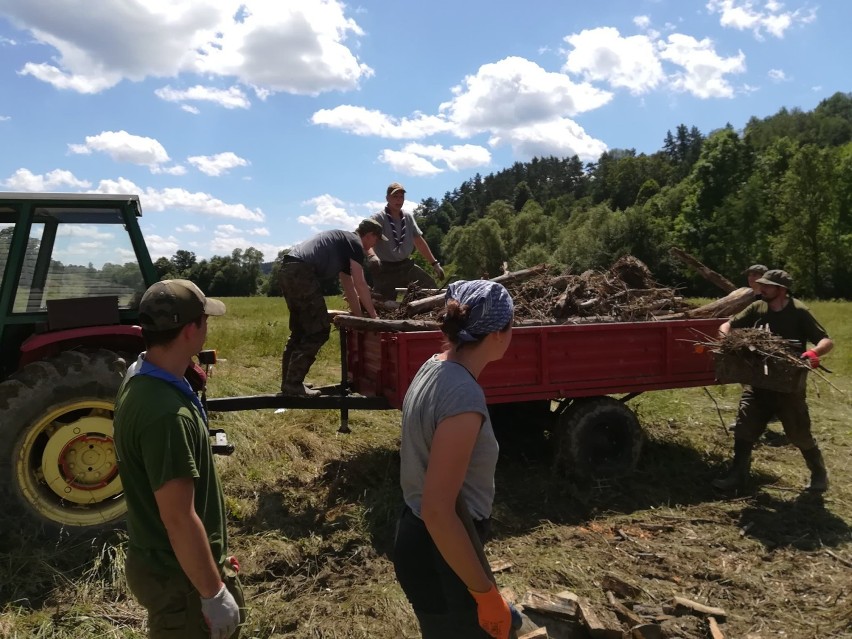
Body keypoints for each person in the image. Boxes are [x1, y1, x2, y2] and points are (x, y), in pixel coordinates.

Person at [114, 279, 244, 639]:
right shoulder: (166, 415)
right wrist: (214, 594)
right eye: (205, 320)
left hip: (173, 567)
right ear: (191, 330)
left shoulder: (142, 376)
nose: (207, 327)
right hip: (180, 579)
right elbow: (178, 520)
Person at [393, 280, 516, 639]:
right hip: (441, 553)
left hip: (424, 541)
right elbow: (438, 512)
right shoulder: (463, 397)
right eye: (512, 326)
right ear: (497, 334)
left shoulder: (435, 366)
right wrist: (486, 594)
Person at [713, 269, 834, 493]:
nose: (762, 288)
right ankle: (737, 476)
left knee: (798, 434)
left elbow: (826, 340)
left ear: (782, 289)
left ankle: (819, 475)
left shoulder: (798, 311)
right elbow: (727, 325)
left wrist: (813, 353)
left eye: (767, 286)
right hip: (758, 381)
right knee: (744, 428)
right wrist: (725, 338)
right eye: (762, 285)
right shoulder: (757, 307)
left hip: (788, 385)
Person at [279, 219, 382, 396]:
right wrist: (374, 316)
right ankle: (293, 383)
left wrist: (358, 316)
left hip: (288, 269)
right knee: (318, 330)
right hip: (302, 272)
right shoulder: (355, 243)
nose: (375, 245)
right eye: (377, 240)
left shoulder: (344, 242)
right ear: (370, 235)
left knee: (300, 331)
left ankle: (289, 382)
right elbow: (360, 283)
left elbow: (348, 285)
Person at [367, 182, 445, 301]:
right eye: (395, 197)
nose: (399, 200)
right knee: (383, 302)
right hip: (385, 268)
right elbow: (365, 238)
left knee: (430, 290)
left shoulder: (407, 217)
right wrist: (372, 256)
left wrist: (435, 264)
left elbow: (418, 241)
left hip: (406, 266)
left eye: (401, 197)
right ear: (387, 198)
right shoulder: (378, 218)